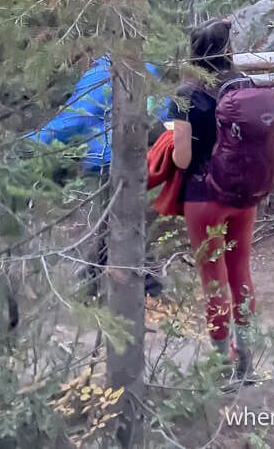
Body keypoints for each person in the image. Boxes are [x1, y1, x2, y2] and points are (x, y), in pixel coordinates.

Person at [169, 19, 274, 383]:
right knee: (240, 272)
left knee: (213, 279)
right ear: (228, 50)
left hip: (204, 198)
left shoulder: (186, 94)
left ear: (194, 51)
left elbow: (182, 160)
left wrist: (167, 147)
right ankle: (246, 360)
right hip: (243, 194)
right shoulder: (243, 86)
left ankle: (221, 366)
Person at [24, 55, 171, 297]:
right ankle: (94, 284)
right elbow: (163, 111)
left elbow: (73, 120)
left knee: (114, 226)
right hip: (144, 161)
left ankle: (144, 288)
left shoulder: (101, 74)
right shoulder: (147, 69)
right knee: (116, 226)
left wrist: (30, 143)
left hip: (105, 163)